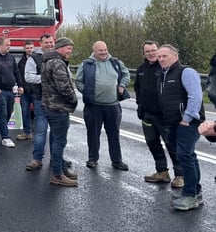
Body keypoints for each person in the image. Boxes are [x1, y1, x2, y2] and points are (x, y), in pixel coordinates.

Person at [156, 45, 204, 211]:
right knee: (188, 155)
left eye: (165, 56)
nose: (161, 59)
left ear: (175, 56)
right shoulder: (163, 74)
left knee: (184, 155)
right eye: (159, 56)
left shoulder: (186, 72)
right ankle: (195, 192)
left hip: (187, 122)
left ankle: (190, 194)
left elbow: (195, 96)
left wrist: (187, 118)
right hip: (173, 122)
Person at [134, 40, 184, 188]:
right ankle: (162, 171)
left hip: (165, 115)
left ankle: (180, 175)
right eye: (147, 51)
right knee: (152, 143)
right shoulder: (141, 69)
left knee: (172, 144)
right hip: (147, 114)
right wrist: (140, 105)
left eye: (153, 50)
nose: (151, 53)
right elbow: (137, 88)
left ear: (158, 50)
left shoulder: (164, 68)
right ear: (144, 53)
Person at [75, 40, 130, 170]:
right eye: (100, 51)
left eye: (105, 50)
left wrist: (122, 85)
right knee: (93, 133)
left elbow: (126, 74)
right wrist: (87, 92)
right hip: (93, 106)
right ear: (94, 51)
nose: (104, 53)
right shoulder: (86, 64)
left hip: (113, 105)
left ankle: (117, 160)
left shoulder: (115, 62)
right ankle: (92, 159)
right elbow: (78, 81)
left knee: (114, 134)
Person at [41, 37, 78, 187]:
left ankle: (62, 169)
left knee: (57, 139)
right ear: (60, 48)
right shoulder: (57, 63)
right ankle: (58, 174)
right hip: (58, 107)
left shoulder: (49, 61)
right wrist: (74, 99)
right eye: (68, 48)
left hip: (50, 106)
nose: (70, 51)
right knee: (59, 141)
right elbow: (64, 86)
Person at [0, 37, 24, 148]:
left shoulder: (10, 57)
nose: (9, 47)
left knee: (9, 112)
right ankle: (5, 137)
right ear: (0, 45)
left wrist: (20, 85)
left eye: (9, 45)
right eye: (7, 45)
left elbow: (16, 72)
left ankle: (1, 130)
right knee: (2, 113)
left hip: (10, 90)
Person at [24, 34, 56, 170]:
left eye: (51, 42)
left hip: (57, 100)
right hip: (40, 99)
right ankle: (37, 159)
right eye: (46, 42)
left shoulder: (58, 56)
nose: (49, 44)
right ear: (40, 44)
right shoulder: (33, 58)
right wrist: (45, 78)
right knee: (41, 131)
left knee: (57, 132)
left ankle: (57, 158)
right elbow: (28, 77)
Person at [17, 41, 35, 140]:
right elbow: (19, 76)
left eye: (31, 48)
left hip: (36, 92)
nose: (29, 50)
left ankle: (40, 134)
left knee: (39, 114)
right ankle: (27, 132)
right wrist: (20, 86)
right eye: (27, 48)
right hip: (25, 92)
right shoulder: (21, 62)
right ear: (24, 49)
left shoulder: (38, 59)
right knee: (25, 113)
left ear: (34, 48)